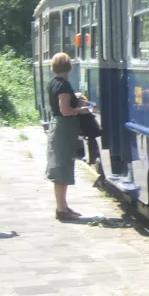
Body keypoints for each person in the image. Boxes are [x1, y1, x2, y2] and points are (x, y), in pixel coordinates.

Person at [46, 52, 90, 220]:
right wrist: (81, 110)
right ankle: (62, 209)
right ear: (68, 67)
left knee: (60, 168)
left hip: (58, 128)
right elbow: (65, 111)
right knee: (62, 168)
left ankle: (63, 207)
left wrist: (75, 99)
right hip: (64, 130)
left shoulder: (53, 83)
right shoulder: (63, 86)